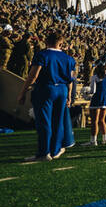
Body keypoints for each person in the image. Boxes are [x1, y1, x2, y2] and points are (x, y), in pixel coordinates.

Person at [17, 30, 75, 161]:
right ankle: (55, 150)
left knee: (44, 121)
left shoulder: (42, 54)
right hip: (62, 89)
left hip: (46, 88)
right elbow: (70, 79)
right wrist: (69, 96)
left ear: (46, 41)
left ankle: (44, 152)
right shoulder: (69, 58)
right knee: (58, 121)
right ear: (61, 43)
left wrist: (22, 92)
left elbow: (33, 76)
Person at [86, 60, 106, 145]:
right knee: (102, 120)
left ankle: (93, 141)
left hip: (97, 99)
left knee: (94, 121)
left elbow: (93, 91)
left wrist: (86, 94)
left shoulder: (95, 77)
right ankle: (105, 139)